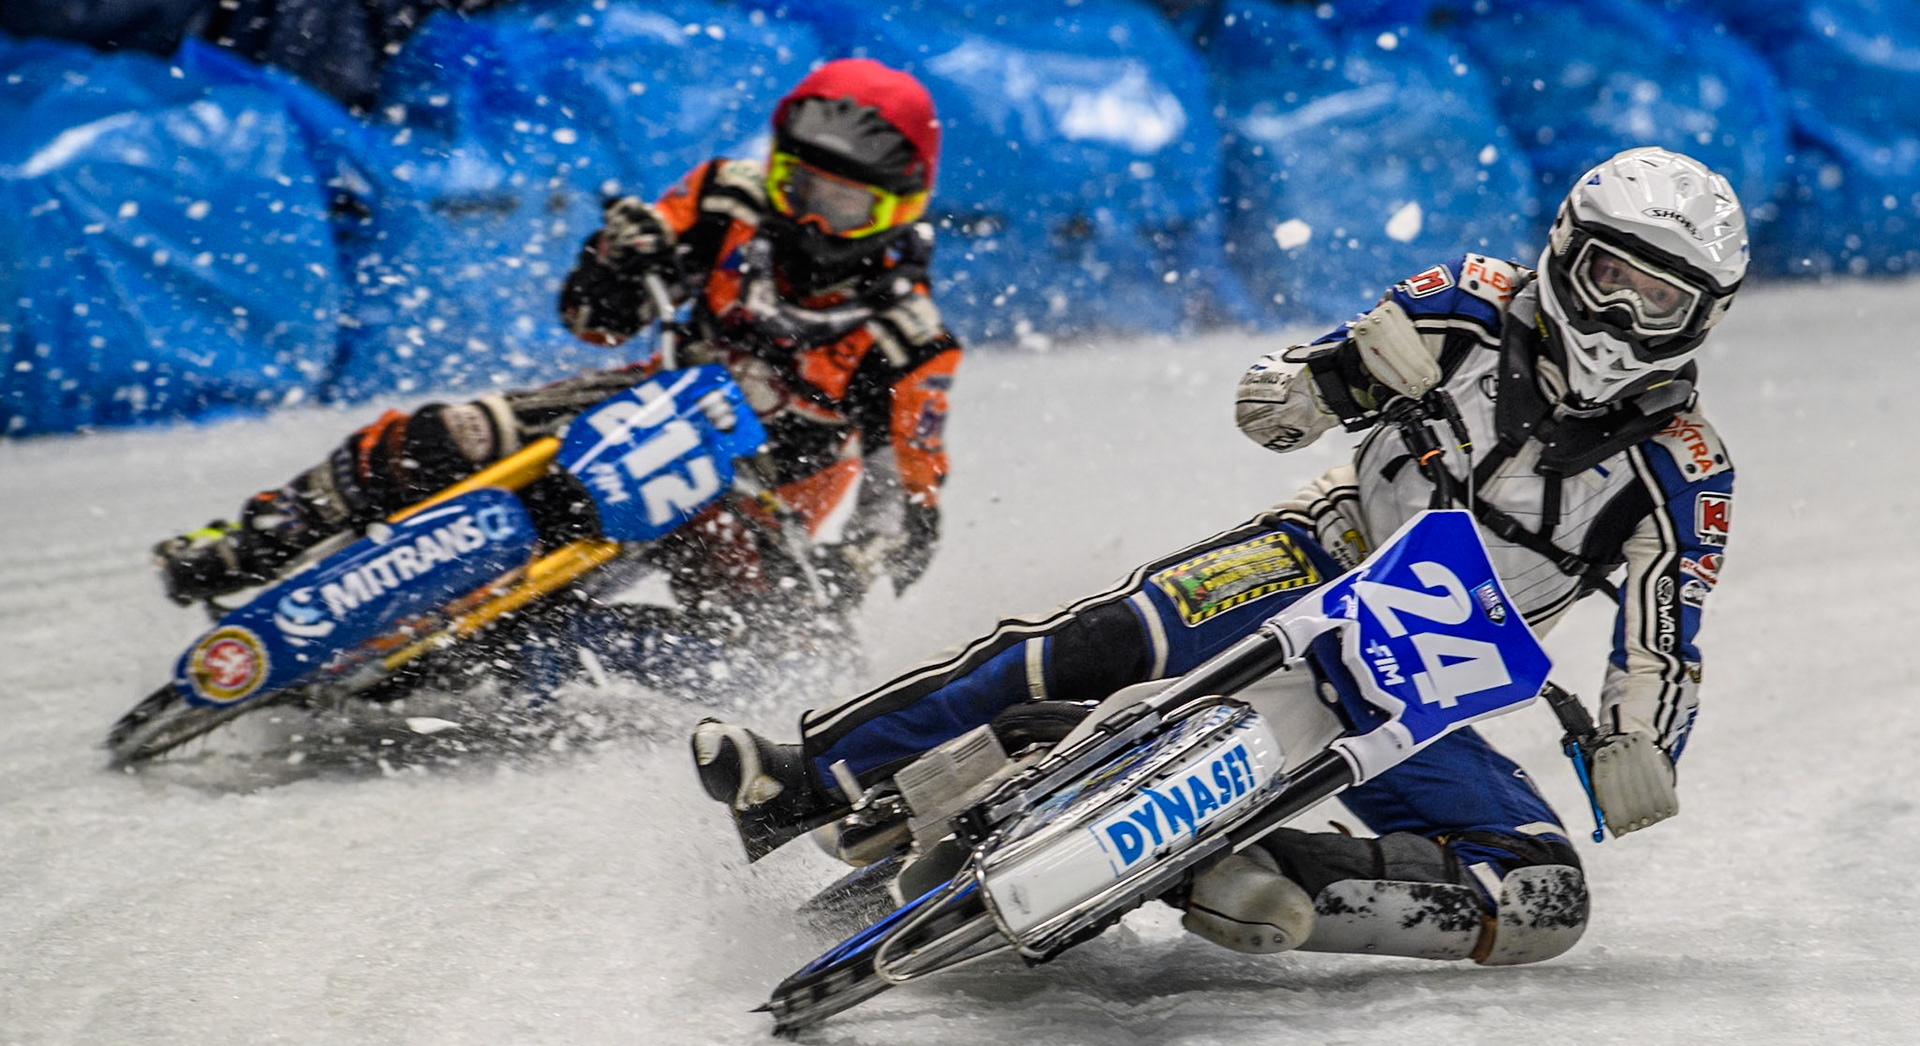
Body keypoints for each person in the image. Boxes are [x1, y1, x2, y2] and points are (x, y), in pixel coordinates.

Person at [692, 146, 1743, 967]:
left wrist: (1641, 744)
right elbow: (1296, 392)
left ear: (1702, 320)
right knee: (1105, 638)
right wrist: (1315, 385)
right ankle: (806, 777)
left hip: (1422, 679)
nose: (1621, 320)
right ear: (1564, 251)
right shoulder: (1468, 300)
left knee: (1540, 895)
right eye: (1611, 277)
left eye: (1661, 301)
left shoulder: (1685, 471)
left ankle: (1236, 865)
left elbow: (1664, 642)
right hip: (1320, 553)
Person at [153, 58, 960, 694]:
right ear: (775, 166)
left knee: (792, 658)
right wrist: (617, 259)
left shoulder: (910, 340)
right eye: (801, 188)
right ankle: (268, 530)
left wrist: (852, 566)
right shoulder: (725, 198)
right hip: (643, 407)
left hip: (758, 491)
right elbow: (592, 320)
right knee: (452, 434)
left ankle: (560, 645)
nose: (813, 220)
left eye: (844, 206)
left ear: (901, 206)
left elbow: (907, 499)